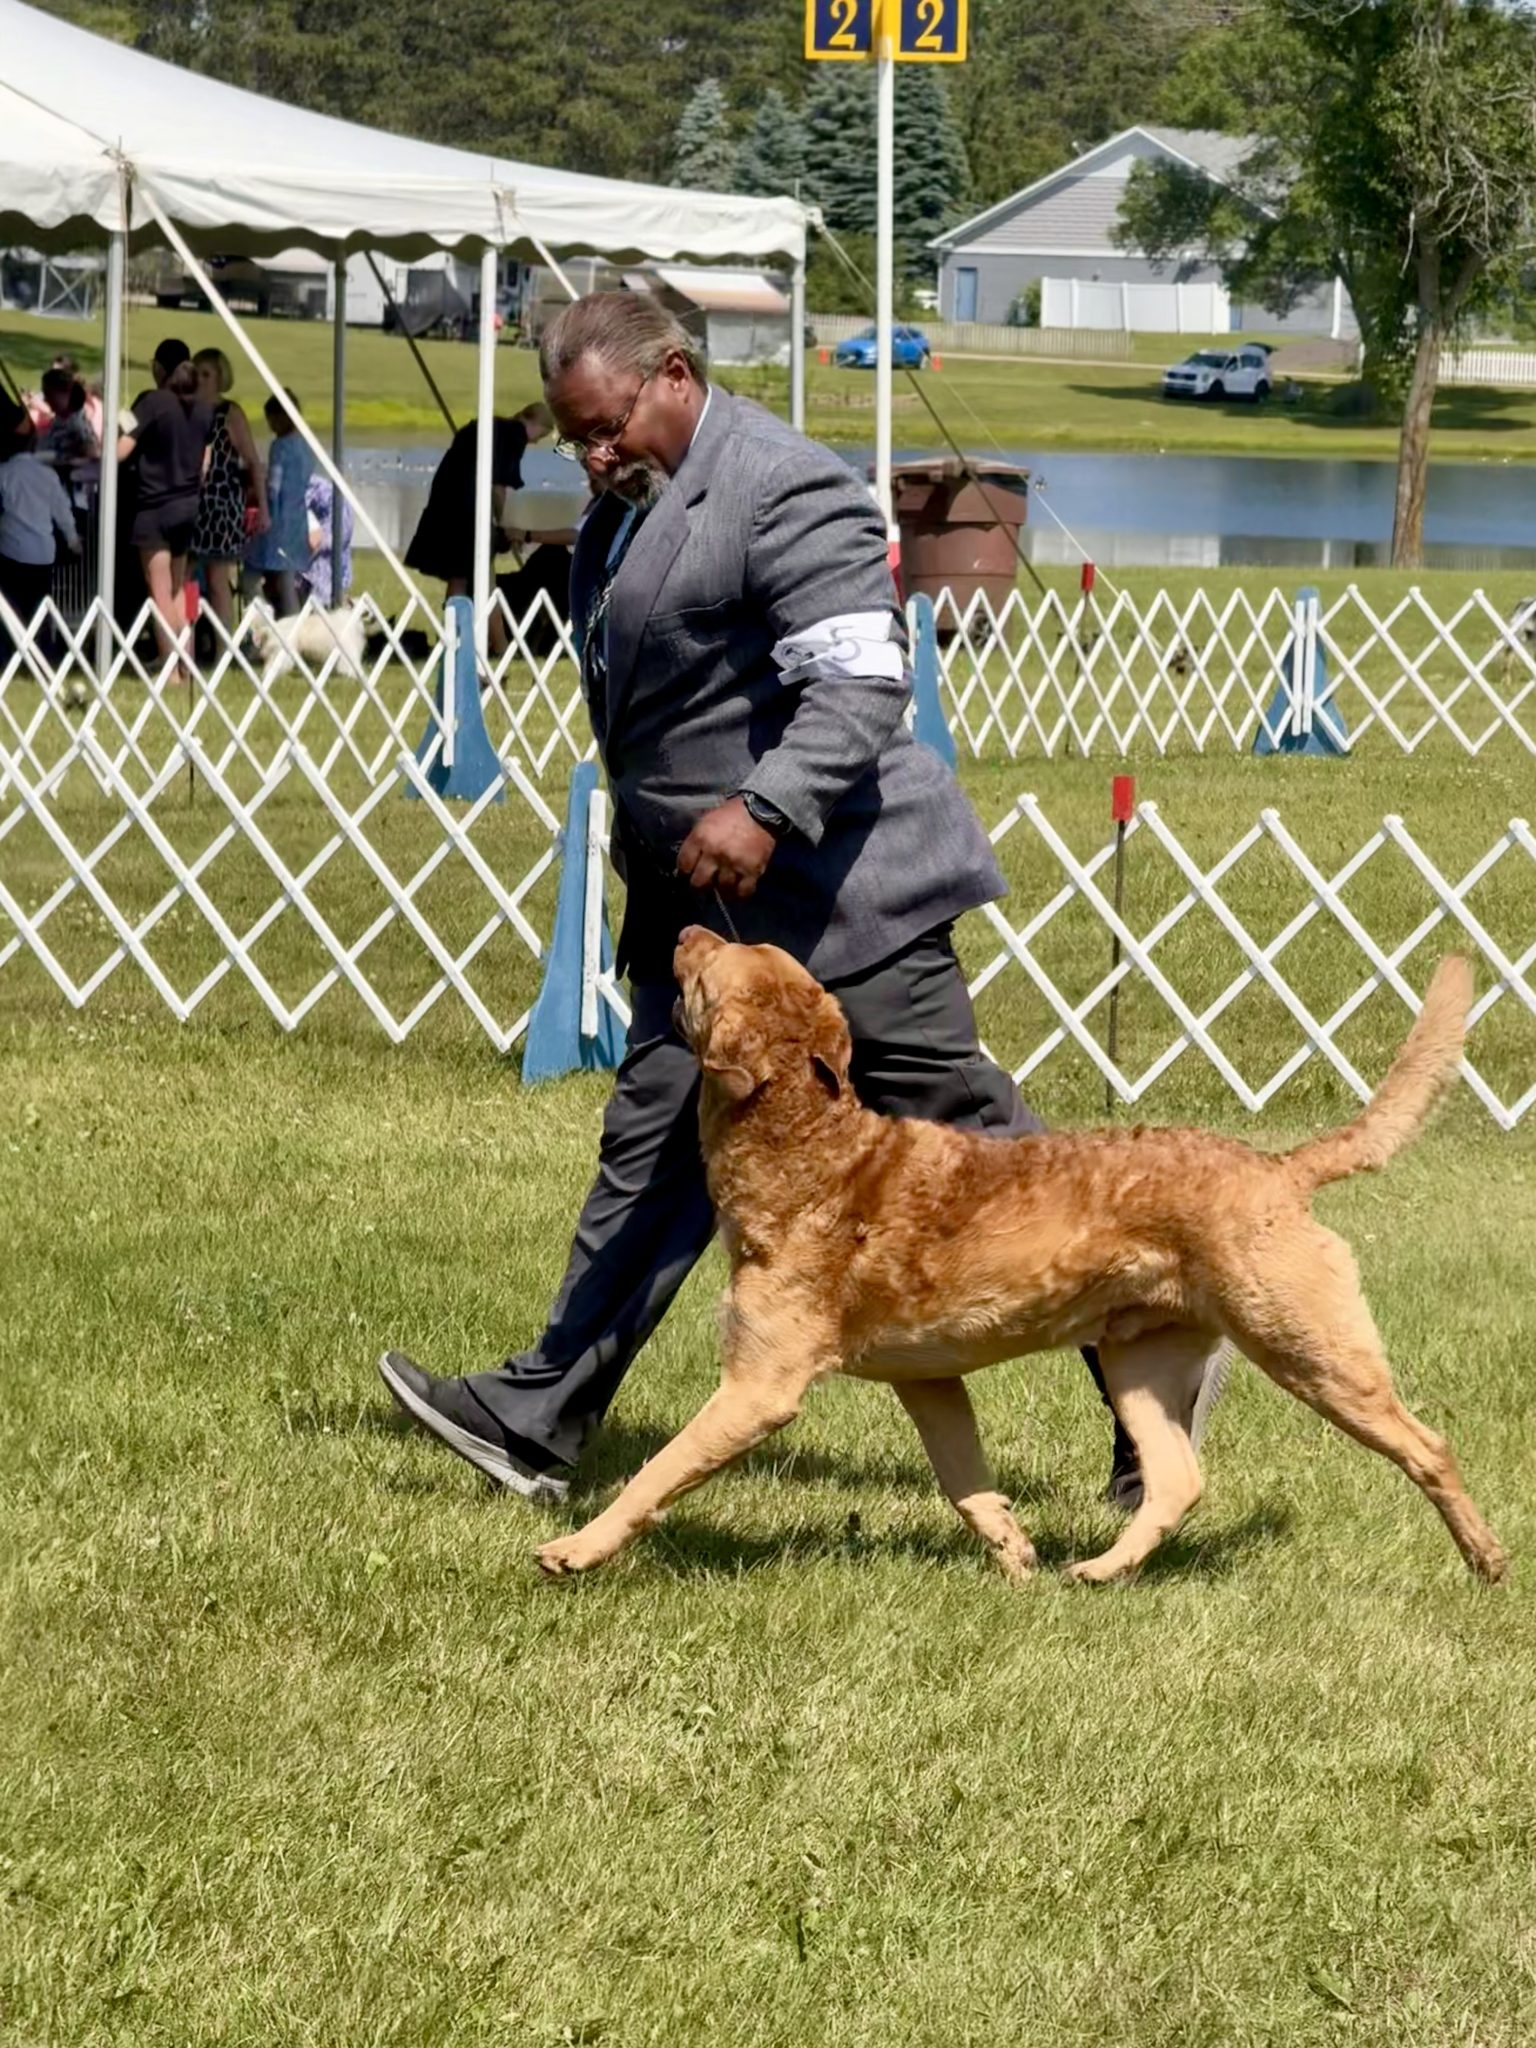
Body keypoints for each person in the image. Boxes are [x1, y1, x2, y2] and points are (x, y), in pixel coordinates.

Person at [379, 292, 1219, 1512]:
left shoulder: (784, 485)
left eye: (607, 426)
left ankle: (1155, 1372)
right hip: (707, 917)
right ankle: (539, 1413)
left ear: (675, 374)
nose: (592, 456)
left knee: (992, 1163)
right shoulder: (627, 504)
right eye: (573, 437)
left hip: (848, 898)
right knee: (654, 1146)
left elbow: (863, 682)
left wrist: (767, 806)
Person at [403, 402, 554, 652]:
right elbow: (499, 486)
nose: (536, 442)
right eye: (541, 434)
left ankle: (458, 637)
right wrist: (500, 523)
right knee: (479, 581)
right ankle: (495, 644)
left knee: (460, 577)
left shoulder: (489, 427)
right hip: (466, 511)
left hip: (445, 503)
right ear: (534, 422)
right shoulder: (514, 434)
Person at [116, 337, 213, 680]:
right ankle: (187, 663)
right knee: (178, 588)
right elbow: (204, 464)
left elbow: (120, 451)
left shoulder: (152, 402)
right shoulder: (204, 409)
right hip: (188, 509)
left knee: (159, 591)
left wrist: (115, 423)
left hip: (154, 509)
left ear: (159, 369)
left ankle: (171, 671)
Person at [190, 348, 268, 636]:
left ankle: (223, 645)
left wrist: (263, 508)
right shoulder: (188, 410)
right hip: (192, 503)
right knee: (185, 576)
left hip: (222, 505)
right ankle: (187, 641)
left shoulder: (230, 413)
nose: (199, 380)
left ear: (220, 378)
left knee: (217, 579)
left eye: (206, 374)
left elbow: (253, 462)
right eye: (196, 374)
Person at [0, 415, 81, 661]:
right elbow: (62, 512)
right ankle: (43, 653)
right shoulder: (48, 475)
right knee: (42, 606)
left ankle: (8, 654)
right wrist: (73, 540)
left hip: (11, 550)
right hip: (43, 552)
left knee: (9, 607)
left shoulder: (4, 473)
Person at [244, 389, 312, 616]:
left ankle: (259, 618)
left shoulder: (280, 447)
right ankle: (294, 626)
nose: (270, 426)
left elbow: (274, 487)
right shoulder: (306, 445)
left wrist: (256, 489)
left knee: (251, 575)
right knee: (287, 581)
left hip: (277, 520)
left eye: (271, 420)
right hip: (298, 519)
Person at [298, 471, 353, 610]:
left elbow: (314, 540)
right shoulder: (312, 484)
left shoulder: (304, 488)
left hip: (333, 526)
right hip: (336, 523)